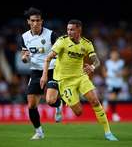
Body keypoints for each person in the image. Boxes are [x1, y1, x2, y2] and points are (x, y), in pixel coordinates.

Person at [40, 19, 118, 141]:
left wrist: (92, 67)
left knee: (95, 101)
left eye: (72, 30)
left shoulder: (87, 44)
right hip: (65, 81)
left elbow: (97, 61)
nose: (69, 32)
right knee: (78, 112)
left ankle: (108, 133)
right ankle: (60, 103)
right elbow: (49, 57)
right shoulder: (62, 41)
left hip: (80, 77)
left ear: (79, 30)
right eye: (68, 30)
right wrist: (44, 75)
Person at [20, 7, 63, 139]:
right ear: (28, 21)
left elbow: (62, 49)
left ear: (41, 21)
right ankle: (39, 132)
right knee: (32, 105)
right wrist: (24, 57)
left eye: (37, 21)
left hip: (52, 70)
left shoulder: (51, 35)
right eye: (32, 21)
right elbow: (24, 58)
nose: (35, 23)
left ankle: (58, 104)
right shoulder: (24, 37)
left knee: (50, 101)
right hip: (36, 72)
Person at [101, 50, 127, 122]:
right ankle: (114, 114)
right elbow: (103, 69)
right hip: (110, 82)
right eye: (113, 55)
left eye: (116, 55)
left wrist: (121, 74)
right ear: (111, 56)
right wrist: (105, 75)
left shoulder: (121, 63)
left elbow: (125, 72)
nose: (114, 56)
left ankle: (106, 101)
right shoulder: (108, 63)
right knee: (113, 96)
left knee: (114, 98)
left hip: (118, 83)